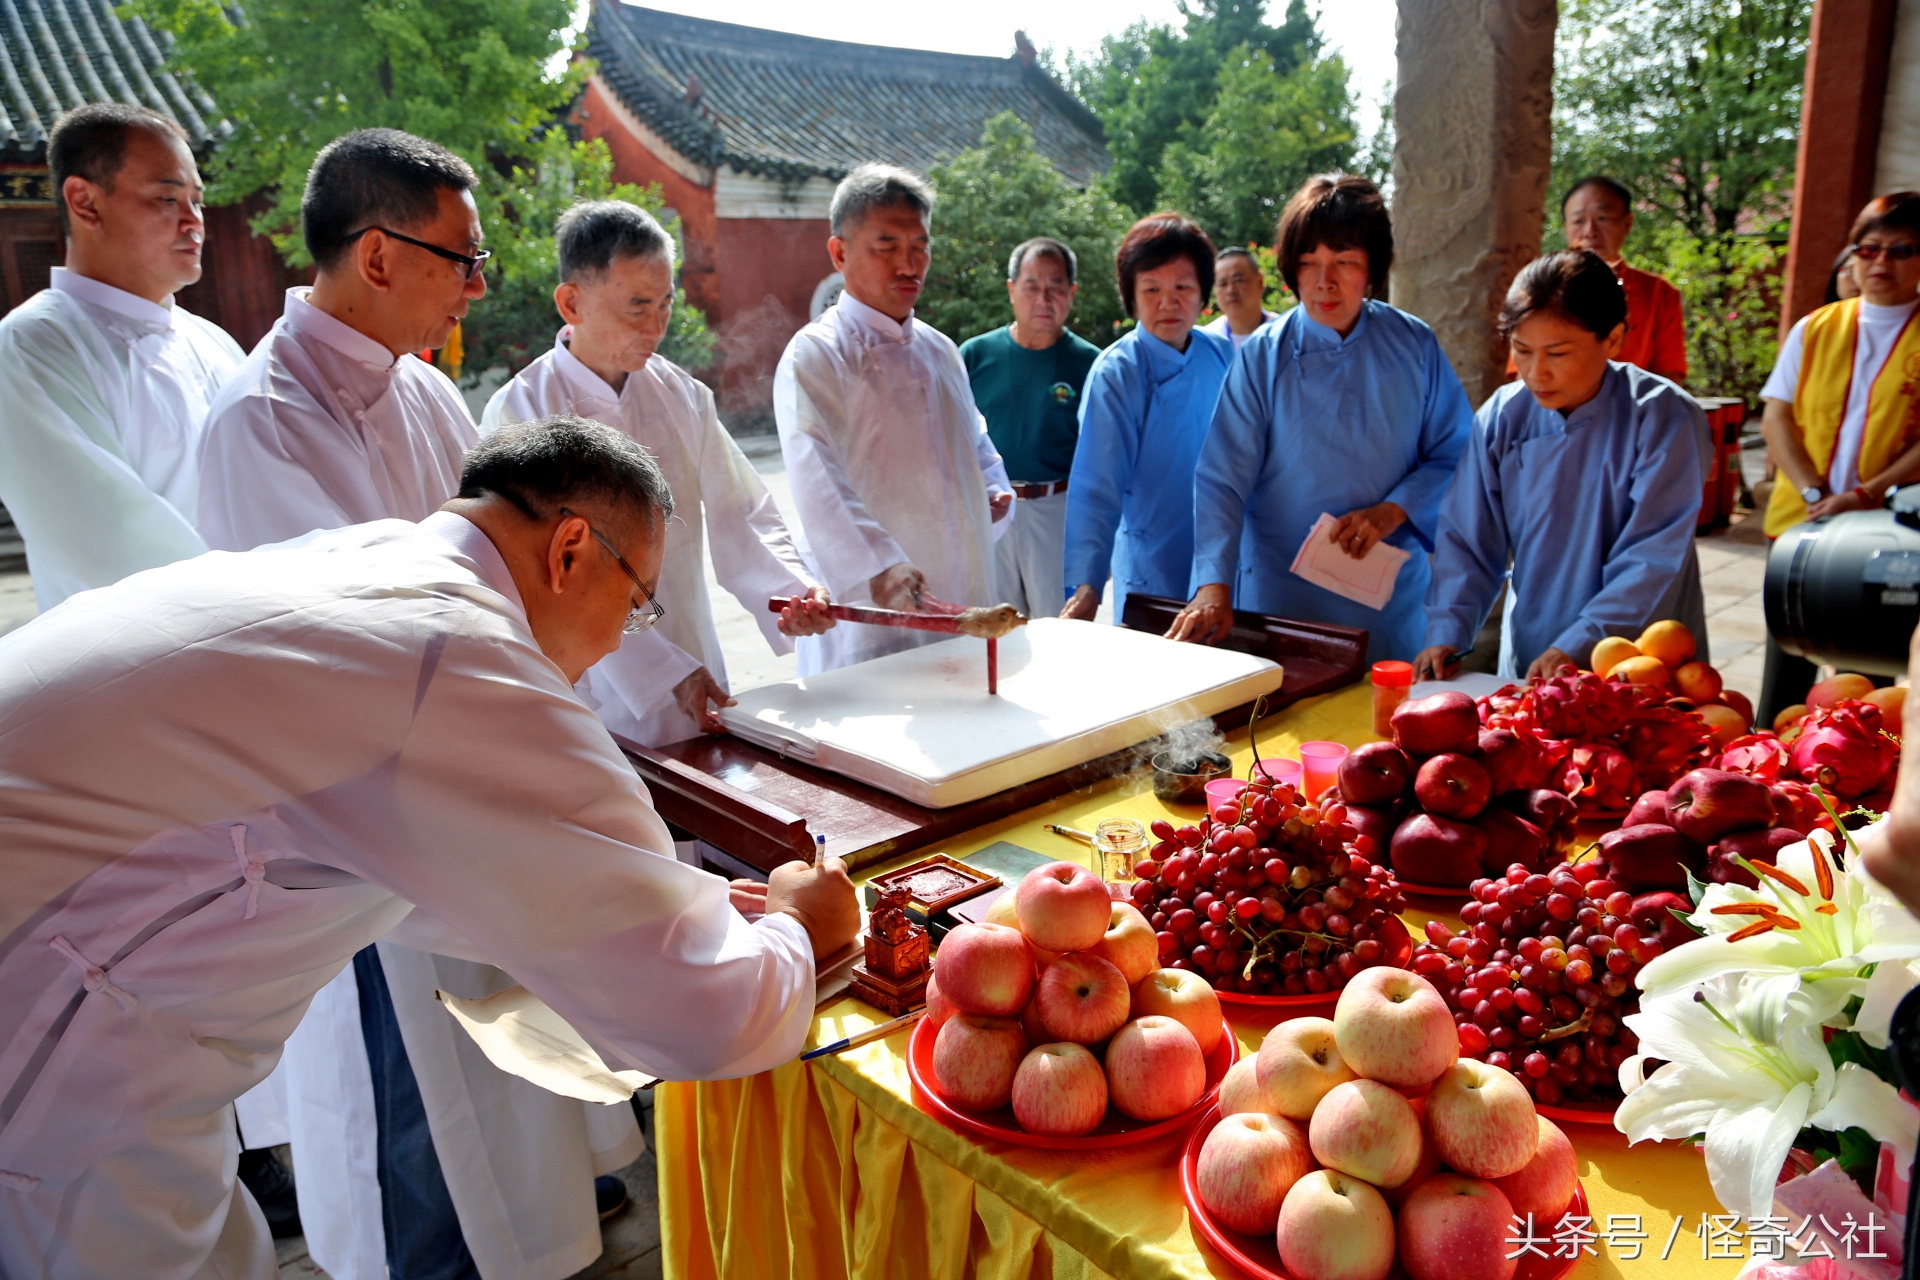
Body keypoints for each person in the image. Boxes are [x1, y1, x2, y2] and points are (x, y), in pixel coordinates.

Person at [0, 414, 862, 1280]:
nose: (614, 643)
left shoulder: (371, 563)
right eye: (636, 604)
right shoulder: (454, 649)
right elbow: (701, 1016)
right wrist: (800, 926)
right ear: (570, 551)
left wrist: (663, 900)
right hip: (47, 1043)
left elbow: (469, 857)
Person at [199, 130, 644, 1280]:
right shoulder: (260, 420)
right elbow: (337, 662)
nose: (476, 285)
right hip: (365, 837)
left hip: (481, 798)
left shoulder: (433, 396)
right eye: (464, 258)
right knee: (420, 1144)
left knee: (516, 1119)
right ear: (379, 255)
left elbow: (506, 584)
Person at [484, 201, 833, 744]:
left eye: (666, 304)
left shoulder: (682, 395)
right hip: (587, 684)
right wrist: (663, 671)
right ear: (572, 302)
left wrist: (792, 592)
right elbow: (553, 579)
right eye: (637, 307)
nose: (655, 327)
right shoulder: (523, 411)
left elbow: (740, 511)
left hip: (691, 646)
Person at [1175, 174, 1473, 662]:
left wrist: (1394, 509)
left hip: (1386, 598)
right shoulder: (1263, 356)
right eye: (1308, 263)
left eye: (1344, 262)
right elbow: (1222, 478)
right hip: (1281, 594)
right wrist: (1213, 583)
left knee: (1385, 703)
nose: (1324, 281)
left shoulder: (1413, 344)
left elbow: (1456, 454)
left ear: (1372, 267)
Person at [1413, 251, 1708, 682]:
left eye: (1557, 353)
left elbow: (1651, 557)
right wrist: (1447, 632)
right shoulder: (1503, 416)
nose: (1537, 373)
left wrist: (1579, 642)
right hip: (1535, 648)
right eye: (1522, 350)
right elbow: (1468, 540)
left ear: (1614, 339)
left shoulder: (1664, 417)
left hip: (1640, 659)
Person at [0, 104, 243, 612]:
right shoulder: (31, 346)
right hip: (146, 640)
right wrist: (261, 603)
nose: (194, 222)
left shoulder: (213, 342)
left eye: (197, 201)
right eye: (167, 198)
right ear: (85, 202)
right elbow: (108, 541)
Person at [774, 164, 1014, 672]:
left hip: (958, 586)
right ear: (840, 252)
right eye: (887, 246)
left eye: (920, 246)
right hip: (872, 606)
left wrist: (993, 487)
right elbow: (817, 478)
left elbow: (974, 438)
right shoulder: (816, 353)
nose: (909, 265)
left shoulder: (940, 349)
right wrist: (879, 566)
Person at [1755, 191, 1920, 723]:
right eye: (1869, 249)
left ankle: (1862, 778)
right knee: (1784, 670)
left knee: (1867, 684)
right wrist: (1814, 490)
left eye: (1901, 250)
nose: (1881, 262)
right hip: (1803, 521)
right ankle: (1763, 764)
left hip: (1882, 532)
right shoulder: (1815, 327)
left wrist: (1865, 495)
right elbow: (1777, 417)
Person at [1059, 214, 1233, 626]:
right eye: (1152, 289)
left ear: (1203, 293)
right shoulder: (1116, 373)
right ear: (1132, 298)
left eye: (1182, 288)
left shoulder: (1221, 354)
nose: (1168, 303)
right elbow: (1096, 486)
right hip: (1151, 558)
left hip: (1220, 557)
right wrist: (1086, 584)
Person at [959, 236, 1101, 618]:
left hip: (1057, 512)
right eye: (1032, 286)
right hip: (989, 510)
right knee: (995, 626)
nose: (1044, 298)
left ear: (1072, 293)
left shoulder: (1091, 364)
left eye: (1055, 286)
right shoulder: (974, 356)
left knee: (1058, 626)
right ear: (1011, 290)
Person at [1559, 176, 1689, 384]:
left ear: (1627, 223)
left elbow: (1669, 376)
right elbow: (1526, 373)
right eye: (1578, 221)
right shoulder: (1542, 288)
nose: (1590, 231)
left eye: (1603, 218)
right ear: (1565, 227)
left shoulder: (1658, 293)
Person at [1202, 246, 1281, 350]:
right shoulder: (1208, 342)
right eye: (1223, 284)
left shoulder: (1283, 332)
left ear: (1260, 282)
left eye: (1239, 280)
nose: (1231, 291)